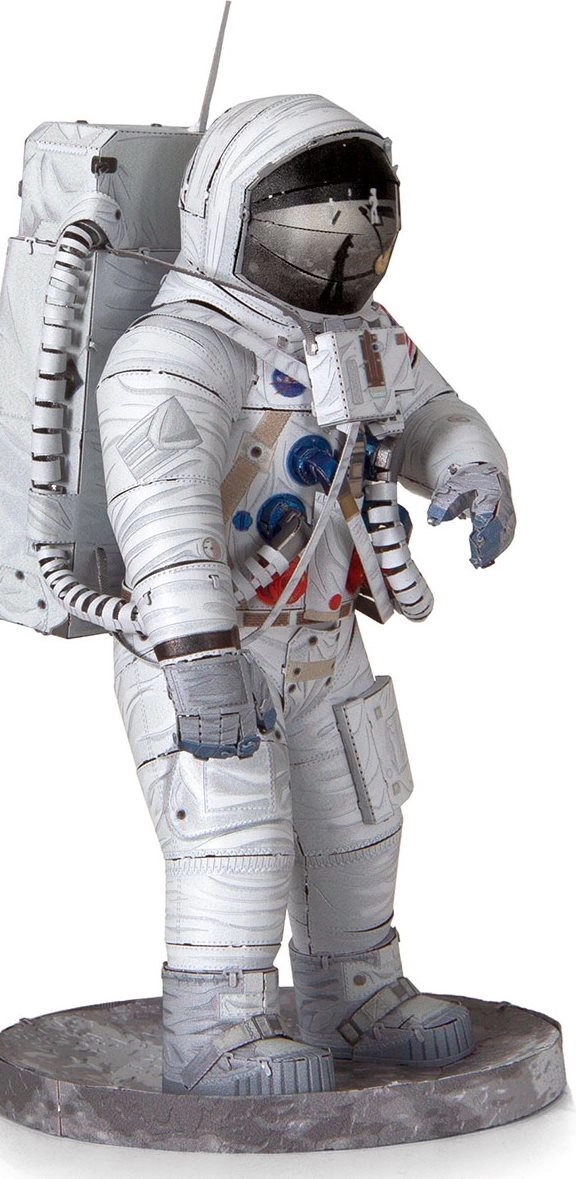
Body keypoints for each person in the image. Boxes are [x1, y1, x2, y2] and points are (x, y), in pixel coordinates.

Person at [97, 93, 515, 1095]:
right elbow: (163, 515)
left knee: (359, 818)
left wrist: (469, 465)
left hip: (325, 635)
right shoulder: (179, 351)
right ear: (232, 215)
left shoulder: (367, 337)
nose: (346, 248)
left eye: (365, 220)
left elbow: (431, 410)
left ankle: (356, 994)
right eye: (319, 223)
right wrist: (198, 657)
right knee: (232, 836)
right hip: (209, 648)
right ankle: (217, 1030)